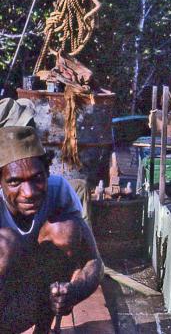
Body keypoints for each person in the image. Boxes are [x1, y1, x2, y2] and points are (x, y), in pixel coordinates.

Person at [0, 126, 104, 332]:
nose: (28, 193)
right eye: (14, 182)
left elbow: (94, 261)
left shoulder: (58, 190)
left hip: (33, 300)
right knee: (5, 245)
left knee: (65, 229)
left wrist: (72, 292)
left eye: (37, 178)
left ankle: (44, 329)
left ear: (48, 172)